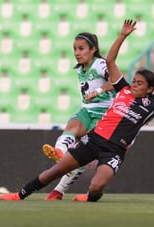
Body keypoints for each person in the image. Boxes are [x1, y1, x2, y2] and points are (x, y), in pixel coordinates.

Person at [0, 19, 154, 202]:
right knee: (53, 171)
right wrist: (122, 36)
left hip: (114, 151)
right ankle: (20, 194)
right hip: (94, 141)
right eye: (134, 80)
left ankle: (90, 198)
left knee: (97, 185)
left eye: (139, 83)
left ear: (150, 88)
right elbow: (110, 61)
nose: (134, 83)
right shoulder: (123, 89)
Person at [41, 27, 121, 200]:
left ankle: (59, 190)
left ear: (93, 49)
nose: (77, 53)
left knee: (81, 155)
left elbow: (118, 82)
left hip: (104, 116)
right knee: (72, 126)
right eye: (75, 49)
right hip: (87, 110)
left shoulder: (100, 65)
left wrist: (99, 90)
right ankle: (60, 152)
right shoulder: (80, 68)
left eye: (81, 48)